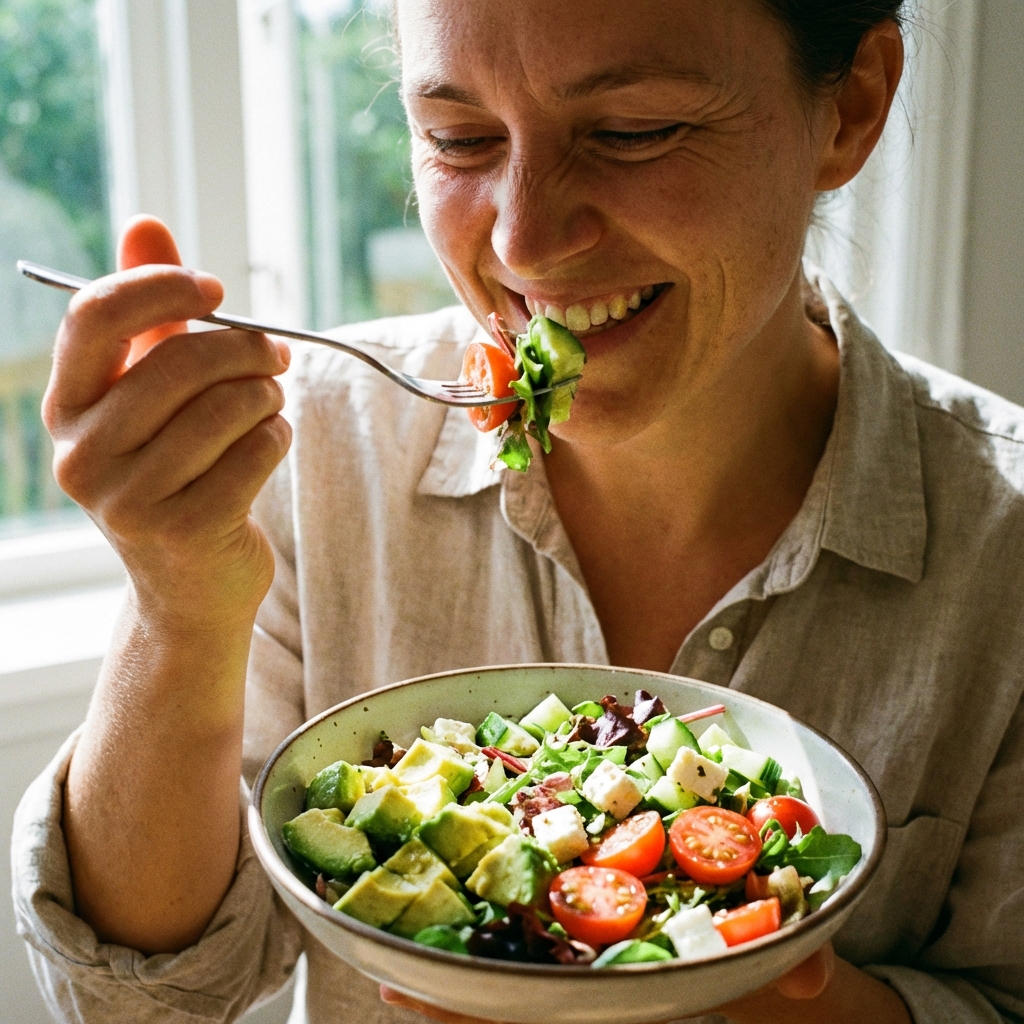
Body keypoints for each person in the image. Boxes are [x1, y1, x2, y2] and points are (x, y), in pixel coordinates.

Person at [11, 1, 1024, 1022]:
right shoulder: (300, 447)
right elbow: (140, 1002)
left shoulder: (1007, 551)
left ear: (848, 109)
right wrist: (177, 605)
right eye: (460, 138)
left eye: (632, 132)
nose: (524, 241)